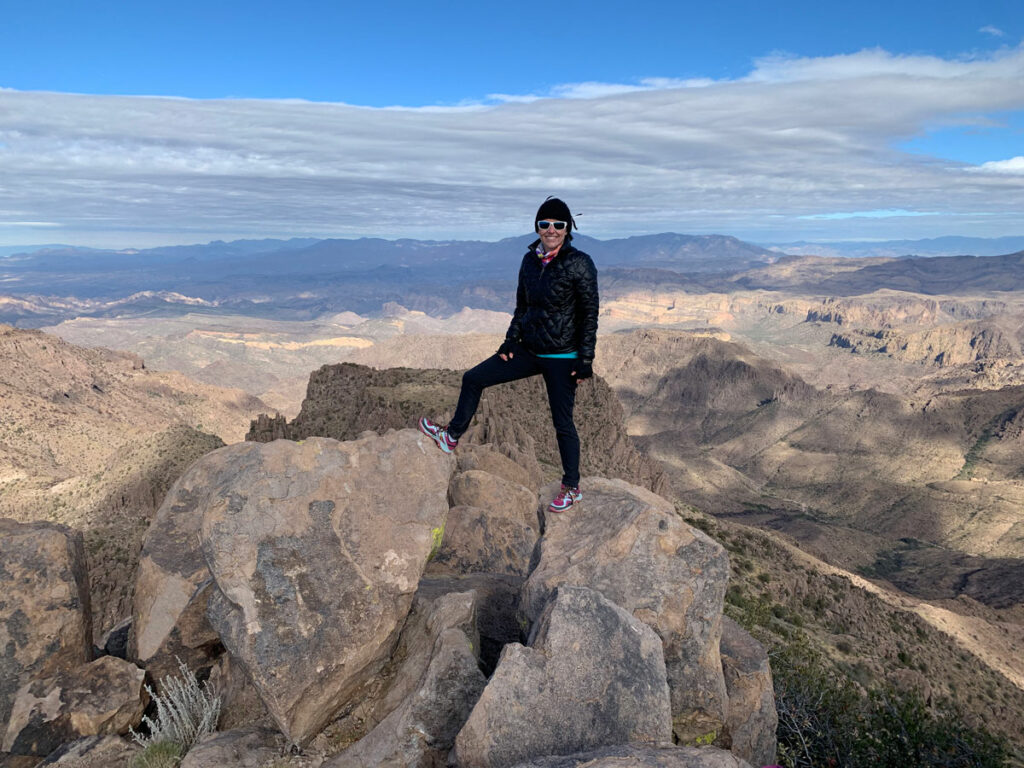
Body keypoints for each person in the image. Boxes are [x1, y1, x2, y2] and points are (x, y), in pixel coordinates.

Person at [419, 197, 599, 513]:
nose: (551, 230)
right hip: (528, 349)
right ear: (537, 227)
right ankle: (452, 436)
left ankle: (571, 487)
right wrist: (509, 342)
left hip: (562, 357)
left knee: (563, 423)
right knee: (473, 378)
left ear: (568, 228)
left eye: (558, 224)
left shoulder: (579, 263)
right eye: (545, 224)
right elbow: (522, 307)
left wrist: (585, 360)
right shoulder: (530, 261)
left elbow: (590, 313)